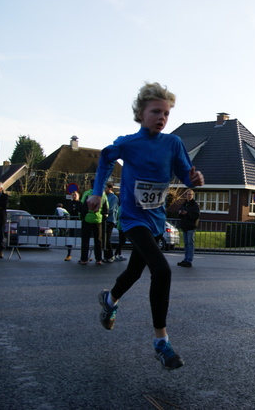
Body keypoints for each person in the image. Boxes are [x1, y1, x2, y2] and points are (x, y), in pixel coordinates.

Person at [88, 82, 204, 370]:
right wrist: (97, 191)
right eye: (156, 112)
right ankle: (161, 342)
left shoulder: (173, 144)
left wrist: (194, 180)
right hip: (131, 218)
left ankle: (109, 299)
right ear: (140, 114)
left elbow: (184, 173)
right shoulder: (128, 143)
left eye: (166, 113)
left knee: (133, 272)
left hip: (155, 220)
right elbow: (104, 159)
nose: (162, 118)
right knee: (161, 270)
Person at [79, 180, 108, 266]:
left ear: (90, 185)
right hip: (98, 220)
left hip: (87, 219)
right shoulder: (103, 195)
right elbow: (106, 208)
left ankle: (84, 259)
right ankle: (98, 259)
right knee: (98, 240)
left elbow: (82, 207)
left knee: (85, 240)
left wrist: (82, 218)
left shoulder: (87, 193)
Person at [177, 189, 200, 268]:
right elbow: (180, 215)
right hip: (185, 226)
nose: (190, 196)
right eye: (188, 194)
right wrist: (180, 212)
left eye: (191, 194)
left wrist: (187, 213)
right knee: (186, 244)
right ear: (185, 195)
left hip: (191, 226)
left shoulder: (194, 205)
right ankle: (186, 259)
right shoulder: (184, 204)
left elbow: (196, 215)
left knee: (190, 244)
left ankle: (189, 260)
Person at [103, 183, 120, 263]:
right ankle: (106, 255)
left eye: (105, 188)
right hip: (104, 219)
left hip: (110, 219)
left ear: (110, 188)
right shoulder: (104, 196)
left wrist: (103, 213)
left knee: (107, 238)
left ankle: (110, 255)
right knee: (104, 238)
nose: (104, 189)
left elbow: (111, 209)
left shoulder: (113, 198)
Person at [64, 192, 81, 261]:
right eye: (73, 195)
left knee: (81, 238)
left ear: (78, 196)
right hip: (72, 222)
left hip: (79, 221)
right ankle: (69, 254)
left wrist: (75, 209)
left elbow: (80, 210)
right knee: (71, 237)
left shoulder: (80, 203)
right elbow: (70, 210)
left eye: (75, 195)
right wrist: (75, 209)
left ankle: (84, 255)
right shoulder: (70, 203)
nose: (74, 196)